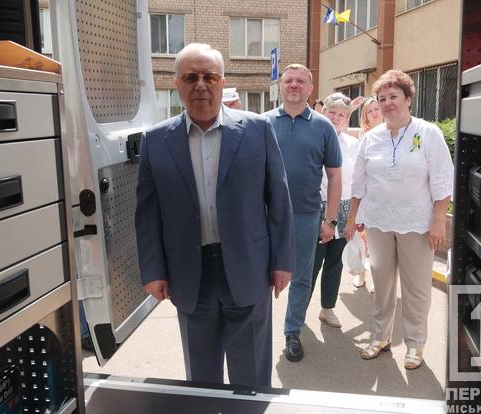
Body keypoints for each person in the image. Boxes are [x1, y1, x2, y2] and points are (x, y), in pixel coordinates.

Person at [135, 43, 294, 386]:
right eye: (190, 77)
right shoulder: (156, 140)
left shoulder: (258, 130)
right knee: (201, 379)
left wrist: (282, 261)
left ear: (222, 82)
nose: (200, 85)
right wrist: (153, 270)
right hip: (189, 274)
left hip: (249, 266)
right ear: (176, 84)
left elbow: (278, 198)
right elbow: (148, 213)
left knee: (251, 378)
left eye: (209, 77)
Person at [345, 69, 453, 370]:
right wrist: (352, 218)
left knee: (416, 286)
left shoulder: (427, 133)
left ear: (408, 99)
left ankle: (415, 343)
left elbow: (442, 179)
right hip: (378, 221)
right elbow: (359, 181)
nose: (387, 103)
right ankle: (380, 336)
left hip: (417, 223)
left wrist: (438, 221)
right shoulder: (371, 138)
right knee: (382, 283)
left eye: (394, 96)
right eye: (382, 99)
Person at [264, 64, 342, 362]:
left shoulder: (323, 127)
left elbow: (334, 176)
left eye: (300, 81)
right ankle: (256, 329)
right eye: (289, 80)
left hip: (306, 216)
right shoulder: (263, 123)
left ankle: (292, 331)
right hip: (264, 216)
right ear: (280, 86)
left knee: (301, 278)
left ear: (311, 88)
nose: (294, 85)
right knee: (259, 275)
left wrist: (330, 220)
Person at [309, 92, 361, 328]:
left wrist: (353, 218)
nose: (336, 118)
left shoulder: (353, 144)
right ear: (322, 111)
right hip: (316, 209)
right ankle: (298, 312)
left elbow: (358, 181)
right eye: (332, 112)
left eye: (342, 115)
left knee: (334, 263)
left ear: (347, 119)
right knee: (311, 264)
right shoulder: (311, 138)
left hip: (344, 209)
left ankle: (327, 308)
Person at [349, 96, 383, 290]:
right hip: (363, 195)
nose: (374, 113)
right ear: (365, 116)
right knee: (361, 238)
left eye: (377, 109)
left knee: (381, 242)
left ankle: (380, 280)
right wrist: (350, 108)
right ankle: (361, 274)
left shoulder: (395, 132)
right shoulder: (362, 133)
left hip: (383, 196)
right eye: (370, 111)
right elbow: (338, 127)